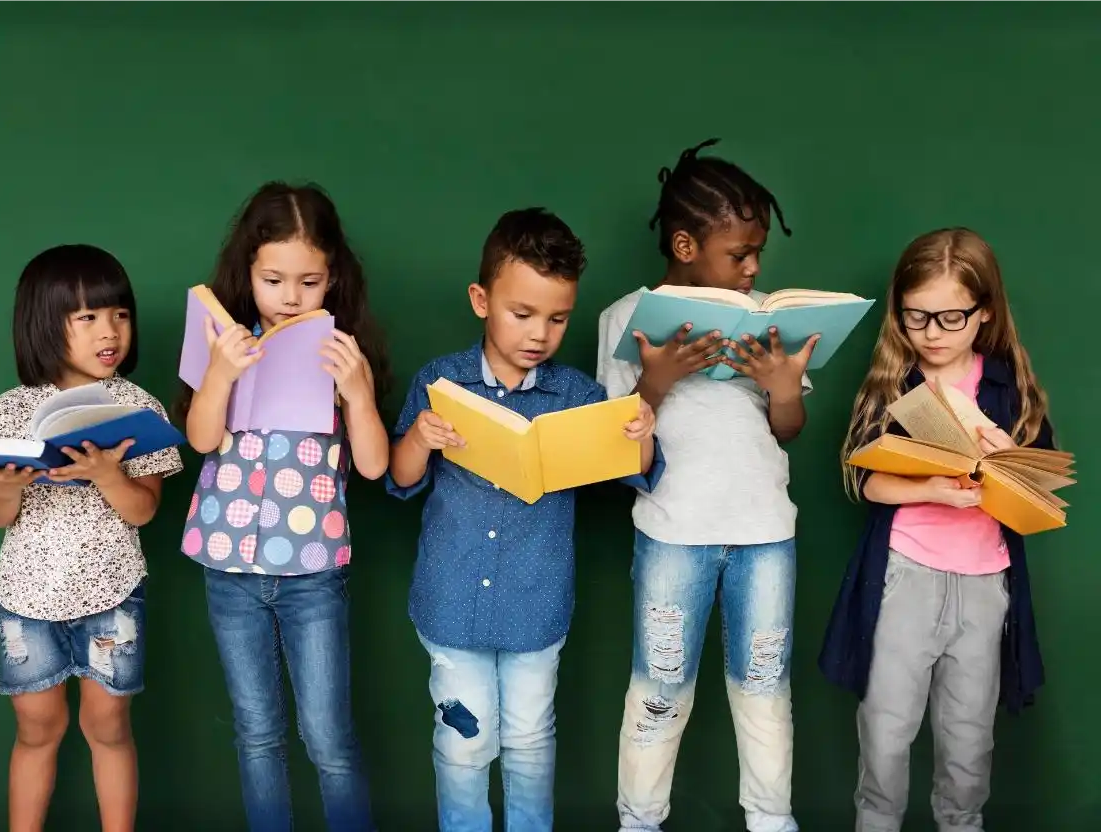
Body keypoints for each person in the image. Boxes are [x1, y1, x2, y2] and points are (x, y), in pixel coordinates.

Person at [386, 207, 662, 832]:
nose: (540, 332)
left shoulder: (578, 396)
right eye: (523, 313)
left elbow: (636, 472)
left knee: (531, 741)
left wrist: (641, 432)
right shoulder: (441, 381)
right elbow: (400, 480)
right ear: (481, 300)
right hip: (452, 603)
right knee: (463, 742)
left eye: (558, 318)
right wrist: (422, 440)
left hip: (537, 605)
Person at [596, 139, 817, 832]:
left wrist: (783, 388)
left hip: (765, 537)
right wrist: (655, 382)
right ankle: (639, 819)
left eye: (757, 253)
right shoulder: (624, 319)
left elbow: (789, 429)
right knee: (659, 691)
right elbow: (617, 451)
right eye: (739, 254)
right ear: (686, 245)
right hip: (673, 535)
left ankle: (771, 819)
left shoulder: (766, 319)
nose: (753, 268)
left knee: (764, 691)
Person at [820, 228, 1056, 831]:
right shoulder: (893, 382)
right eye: (916, 317)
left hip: (985, 584)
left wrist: (1007, 457)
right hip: (905, 576)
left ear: (983, 315)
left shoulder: (1008, 387)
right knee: (885, 733)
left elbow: (1044, 491)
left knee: (969, 744)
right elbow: (867, 481)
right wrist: (930, 488)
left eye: (951, 318)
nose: (930, 334)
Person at [0, 244, 183, 832]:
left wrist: (109, 473)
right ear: (43, 323)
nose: (110, 331)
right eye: (87, 318)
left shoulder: (137, 407)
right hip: (26, 597)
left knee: (108, 726)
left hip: (113, 592)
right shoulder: (10, 411)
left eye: (119, 315)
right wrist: (2, 487)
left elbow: (143, 511)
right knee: (36, 728)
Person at [179, 182, 388, 831]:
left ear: (334, 279)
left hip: (312, 573)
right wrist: (219, 374)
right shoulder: (227, 344)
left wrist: (358, 394)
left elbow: (377, 465)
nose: (291, 296)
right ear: (248, 271)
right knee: (257, 734)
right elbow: (202, 440)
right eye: (274, 279)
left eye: (310, 281)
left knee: (328, 738)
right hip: (230, 568)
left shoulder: (341, 353)